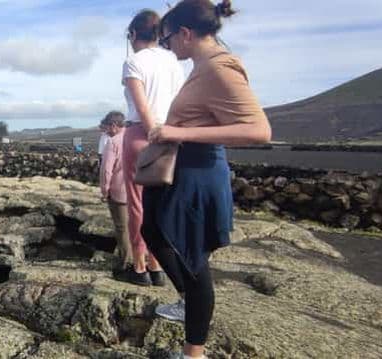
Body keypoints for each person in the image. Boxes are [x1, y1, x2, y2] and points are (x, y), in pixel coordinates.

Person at [143, 1, 272, 358]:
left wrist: (177, 132)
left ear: (185, 33)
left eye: (167, 40)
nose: (167, 47)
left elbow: (259, 130)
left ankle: (193, 352)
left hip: (199, 171)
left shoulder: (220, 67)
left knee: (192, 256)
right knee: (152, 230)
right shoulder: (202, 67)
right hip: (185, 168)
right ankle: (187, 302)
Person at [120, 9, 185, 286]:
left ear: (134, 34)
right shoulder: (174, 62)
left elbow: (142, 105)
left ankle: (138, 267)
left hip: (141, 134)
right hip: (171, 133)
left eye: (130, 36)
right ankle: (158, 266)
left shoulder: (134, 61)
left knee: (137, 205)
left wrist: (151, 133)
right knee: (161, 205)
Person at [98, 111, 132, 274]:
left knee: (122, 228)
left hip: (119, 192)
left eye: (107, 127)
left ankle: (126, 263)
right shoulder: (134, 138)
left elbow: (106, 171)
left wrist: (105, 191)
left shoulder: (113, 142)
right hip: (139, 190)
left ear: (114, 125)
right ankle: (143, 260)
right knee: (138, 226)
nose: (106, 131)